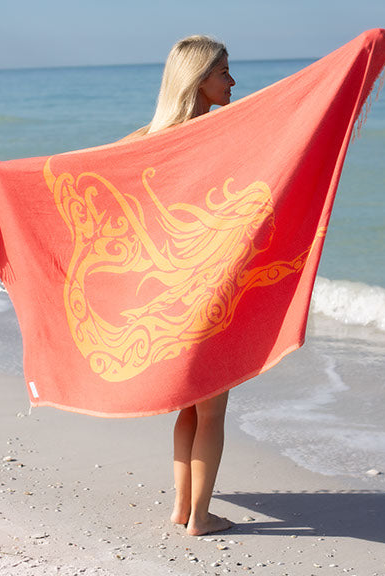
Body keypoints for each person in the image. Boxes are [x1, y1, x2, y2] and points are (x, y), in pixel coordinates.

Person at [126, 35, 236, 536]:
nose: (232, 82)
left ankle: (179, 508)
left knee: (189, 408)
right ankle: (201, 517)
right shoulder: (223, 131)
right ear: (199, 80)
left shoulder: (143, 138)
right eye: (223, 73)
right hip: (210, 292)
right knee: (211, 412)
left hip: (167, 297)